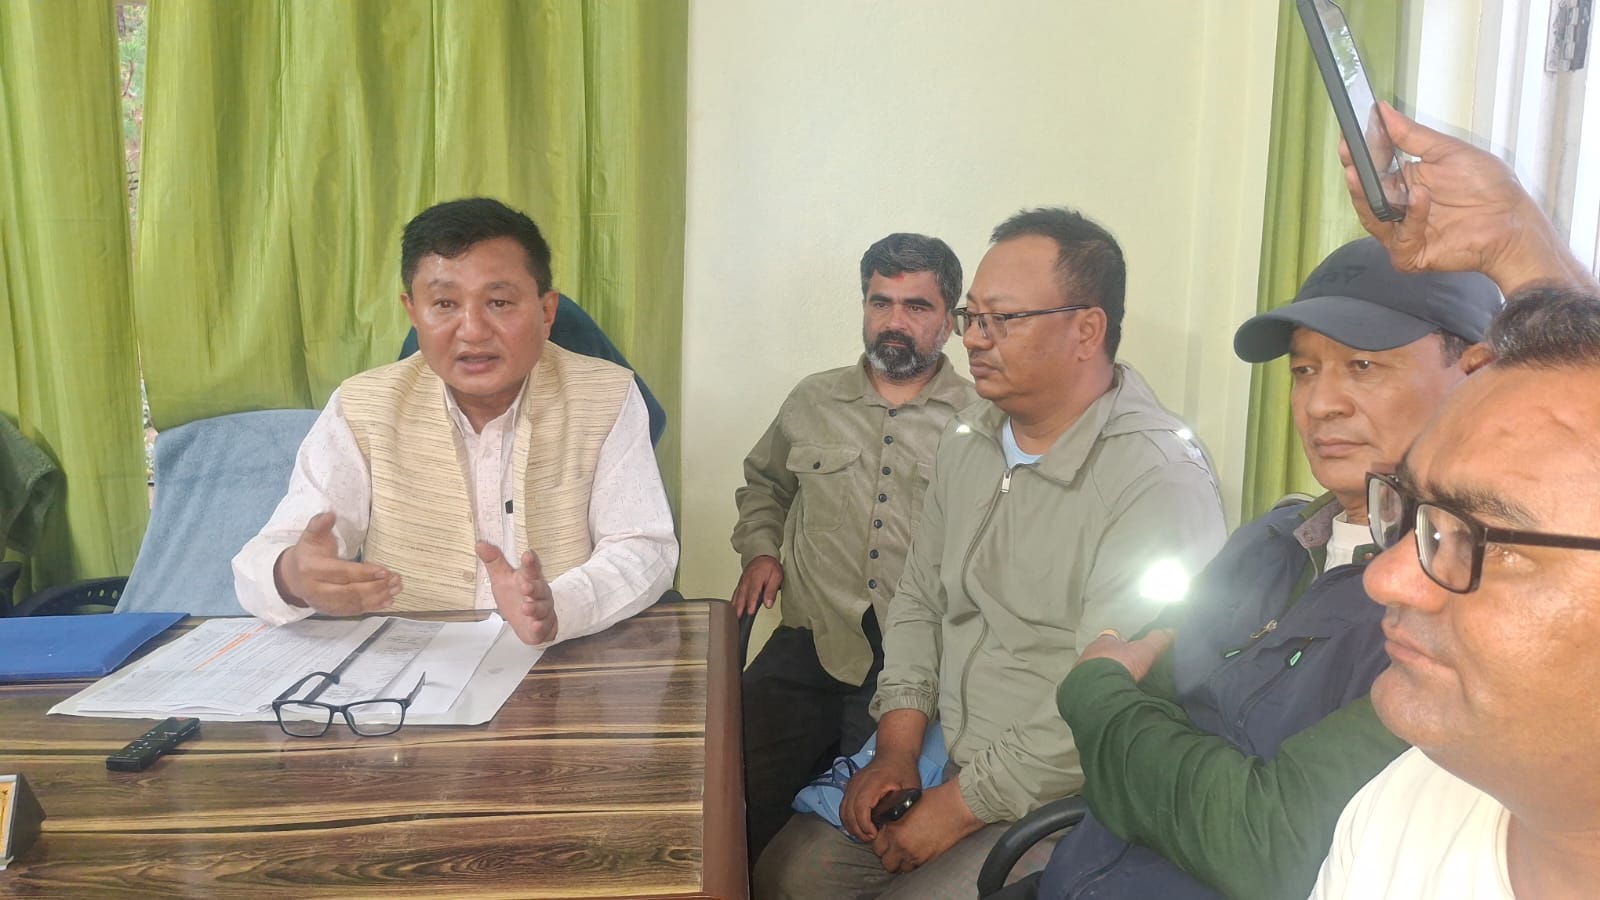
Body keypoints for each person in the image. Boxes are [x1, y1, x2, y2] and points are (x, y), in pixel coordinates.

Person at [1002, 236, 1502, 900]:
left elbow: (1271, 842)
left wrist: (1094, 696)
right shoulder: (1269, 541)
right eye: (1304, 371)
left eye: (1362, 366)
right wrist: (1148, 746)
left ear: (1475, 374)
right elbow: (1139, 702)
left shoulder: (1467, 598)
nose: (1320, 404)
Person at [753, 207, 1228, 899]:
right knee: (787, 877)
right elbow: (919, 597)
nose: (973, 338)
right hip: (947, 742)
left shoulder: (1157, 479)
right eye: (972, 316)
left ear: (1086, 330)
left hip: (1064, 788)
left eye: (1001, 319)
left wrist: (959, 806)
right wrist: (898, 745)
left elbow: (1111, 698)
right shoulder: (970, 437)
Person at [1305, 106, 1600, 899]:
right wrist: (1516, 244)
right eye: (1413, 513)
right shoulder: (1401, 813)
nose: (1385, 579)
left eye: (1486, 540)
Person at [233, 197, 678, 646]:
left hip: (566, 655)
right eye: (444, 303)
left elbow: (643, 546)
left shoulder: (607, 395)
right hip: (413, 666)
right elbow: (269, 554)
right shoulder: (363, 407)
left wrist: (562, 605)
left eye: (499, 302)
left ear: (546, 312)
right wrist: (291, 576)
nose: (473, 330)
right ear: (413, 312)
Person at [733, 233, 977, 864]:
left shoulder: (982, 420)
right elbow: (765, 485)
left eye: (916, 306)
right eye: (880, 302)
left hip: (917, 665)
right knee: (731, 784)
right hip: (810, 640)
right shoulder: (812, 400)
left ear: (948, 320)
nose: (894, 321)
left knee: (862, 823)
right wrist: (761, 551)